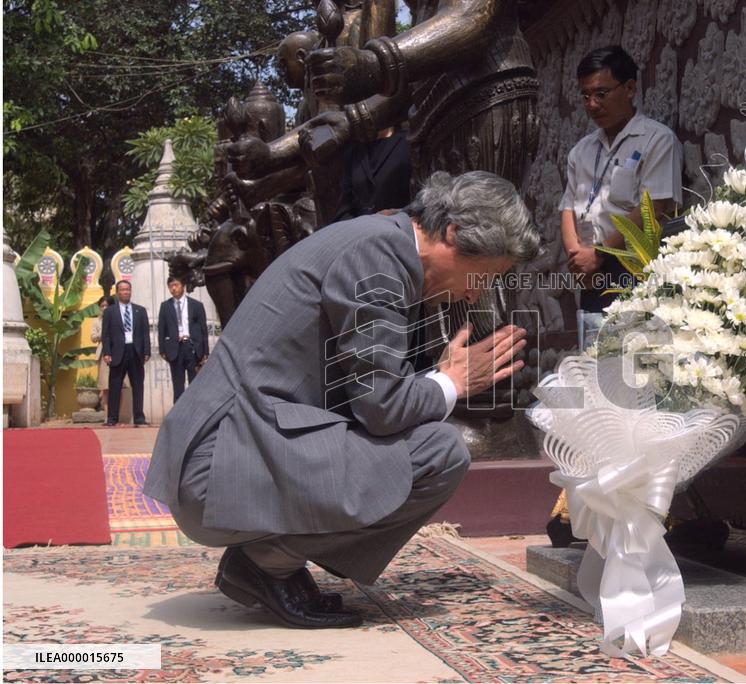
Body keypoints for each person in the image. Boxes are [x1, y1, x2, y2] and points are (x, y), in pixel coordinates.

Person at [143, 171, 539, 629]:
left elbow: (367, 393)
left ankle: (271, 561)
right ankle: (266, 563)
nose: (476, 293)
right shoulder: (379, 258)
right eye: (484, 275)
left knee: (424, 441)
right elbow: (383, 408)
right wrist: (452, 383)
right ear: (452, 234)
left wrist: (438, 379)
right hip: (218, 471)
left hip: (226, 459)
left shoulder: (381, 242)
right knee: (441, 452)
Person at [560, 45, 683, 314]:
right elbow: (567, 208)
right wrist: (577, 259)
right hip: (589, 270)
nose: (592, 105)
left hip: (634, 267)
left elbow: (652, 209)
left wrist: (600, 253)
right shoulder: (581, 150)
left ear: (629, 88)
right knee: (592, 338)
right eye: (585, 96)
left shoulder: (656, 139)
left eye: (601, 94)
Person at [334, 126, 412, 221]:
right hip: (363, 227)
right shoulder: (355, 151)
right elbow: (346, 203)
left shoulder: (408, 141)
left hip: (399, 225)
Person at [102, 280, 150, 427]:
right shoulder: (110, 312)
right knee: (115, 386)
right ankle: (112, 418)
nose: (125, 292)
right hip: (117, 352)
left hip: (135, 351)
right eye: (122, 290)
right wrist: (107, 352)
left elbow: (145, 333)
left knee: (138, 386)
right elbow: (106, 334)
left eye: (128, 289)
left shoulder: (140, 311)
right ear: (117, 292)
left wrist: (146, 351)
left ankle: (139, 418)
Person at [158, 277, 209, 402]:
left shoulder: (196, 305)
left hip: (193, 347)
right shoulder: (165, 306)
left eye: (176, 285)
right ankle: (179, 412)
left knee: (195, 384)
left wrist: (205, 351)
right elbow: (161, 329)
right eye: (171, 286)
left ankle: (195, 411)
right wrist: (162, 350)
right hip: (175, 349)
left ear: (183, 285)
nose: (173, 288)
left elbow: (203, 329)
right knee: (178, 386)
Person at [90, 295, 123, 412]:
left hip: (118, 353)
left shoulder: (119, 318)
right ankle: (107, 415)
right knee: (105, 386)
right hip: (103, 354)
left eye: (106, 305)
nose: (104, 308)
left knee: (119, 386)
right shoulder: (97, 321)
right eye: (102, 306)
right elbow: (93, 337)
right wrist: (104, 332)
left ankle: (118, 415)